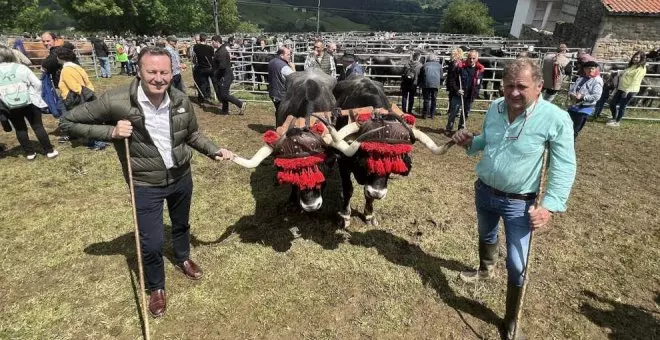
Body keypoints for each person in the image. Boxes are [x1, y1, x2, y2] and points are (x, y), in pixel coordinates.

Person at [59, 46, 235, 318]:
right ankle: (156, 287)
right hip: (144, 184)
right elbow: (67, 121)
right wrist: (111, 131)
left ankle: (182, 257)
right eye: (151, 71)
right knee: (151, 242)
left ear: (172, 71)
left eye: (165, 71)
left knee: (181, 224)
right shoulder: (115, 100)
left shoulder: (179, 100)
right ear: (139, 71)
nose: (159, 78)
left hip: (180, 177)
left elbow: (192, 134)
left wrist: (214, 150)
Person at [452, 58, 576, 340]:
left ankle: (510, 319)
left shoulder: (555, 118)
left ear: (539, 87)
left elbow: (564, 165)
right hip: (485, 190)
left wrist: (549, 206)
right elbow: (486, 140)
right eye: (509, 86)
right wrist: (469, 140)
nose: (514, 93)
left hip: (521, 203)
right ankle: (485, 269)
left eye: (522, 86)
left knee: (518, 264)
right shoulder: (495, 108)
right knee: (486, 234)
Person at [0, 46, 58, 160]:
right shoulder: (21, 68)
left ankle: (29, 153)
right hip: (29, 101)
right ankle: (49, 151)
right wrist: (34, 94)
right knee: (38, 126)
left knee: (20, 129)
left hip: (9, 105)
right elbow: (37, 83)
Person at [446, 50, 484, 131]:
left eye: (474, 58)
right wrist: (457, 90)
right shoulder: (460, 67)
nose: (471, 60)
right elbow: (452, 80)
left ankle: (460, 129)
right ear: (467, 58)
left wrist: (475, 94)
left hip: (469, 96)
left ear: (477, 58)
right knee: (453, 112)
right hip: (458, 95)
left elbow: (479, 83)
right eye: (470, 58)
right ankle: (449, 128)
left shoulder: (479, 70)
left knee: (465, 114)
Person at [607, 51, 647, 127]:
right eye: (635, 56)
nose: (635, 58)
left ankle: (617, 122)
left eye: (637, 57)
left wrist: (627, 90)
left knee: (622, 105)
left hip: (630, 90)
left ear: (641, 59)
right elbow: (624, 72)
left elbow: (636, 80)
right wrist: (616, 72)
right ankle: (614, 118)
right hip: (621, 88)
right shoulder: (633, 66)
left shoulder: (641, 68)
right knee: (612, 103)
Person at [567, 60, 603, 138]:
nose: (591, 70)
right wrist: (571, 94)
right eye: (589, 68)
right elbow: (572, 89)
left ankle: (570, 146)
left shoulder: (597, 80)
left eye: (593, 68)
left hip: (585, 108)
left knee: (575, 129)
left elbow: (597, 96)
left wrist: (583, 97)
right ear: (584, 69)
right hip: (573, 106)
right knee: (567, 127)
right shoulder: (580, 78)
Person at [211, 35, 246, 115]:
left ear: (217, 42)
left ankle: (240, 104)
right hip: (223, 75)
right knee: (223, 93)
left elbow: (222, 67)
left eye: (212, 42)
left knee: (224, 94)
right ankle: (225, 110)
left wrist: (216, 74)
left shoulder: (222, 52)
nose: (212, 44)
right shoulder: (220, 50)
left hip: (225, 75)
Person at [267, 46, 296, 125]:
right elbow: (294, 78)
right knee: (283, 114)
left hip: (273, 91)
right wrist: (293, 67)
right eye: (288, 54)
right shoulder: (284, 67)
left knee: (279, 111)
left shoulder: (272, 61)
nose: (290, 56)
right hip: (281, 93)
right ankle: (281, 130)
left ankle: (278, 128)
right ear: (281, 55)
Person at [191, 34, 216, 106]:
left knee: (203, 83)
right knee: (213, 83)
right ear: (206, 39)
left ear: (200, 39)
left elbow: (194, 56)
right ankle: (215, 97)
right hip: (210, 67)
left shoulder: (196, 47)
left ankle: (203, 98)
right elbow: (212, 56)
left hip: (201, 68)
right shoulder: (210, 48)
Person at [418, 53, 442, 119]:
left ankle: (425, 114)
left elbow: (421, 75)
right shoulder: (439, 66)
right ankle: (432, 115)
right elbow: (442, 77)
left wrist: (420, 83)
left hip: (426, 84)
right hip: (435, 84)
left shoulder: (424, 65)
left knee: (426, 99)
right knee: (434, 99)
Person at [445, 47, 464, 118]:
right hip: (452, 84)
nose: (451, 55)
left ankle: (455, 112)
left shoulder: (458, 64)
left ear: (457, 54)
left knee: (455, 99)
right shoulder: (454, 63)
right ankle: (453, 111)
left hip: (456, 84)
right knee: (452, 98)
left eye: (453, 54)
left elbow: (453, 76)